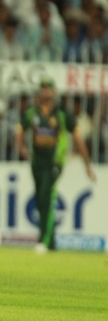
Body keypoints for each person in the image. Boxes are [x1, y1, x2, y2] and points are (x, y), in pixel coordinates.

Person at [16, 77, 97, 253]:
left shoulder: (62, 114)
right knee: (40, 199)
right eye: (43, 88)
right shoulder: (32, 113)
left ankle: (43, 240)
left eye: (48, 88)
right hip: (37, 162)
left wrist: (87, 165)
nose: (45, 92)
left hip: (55, 163)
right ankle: (50, 242)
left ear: (54, 92)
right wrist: (22, 148)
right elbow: (19, 130)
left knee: (47, 196)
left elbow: (77, 138)